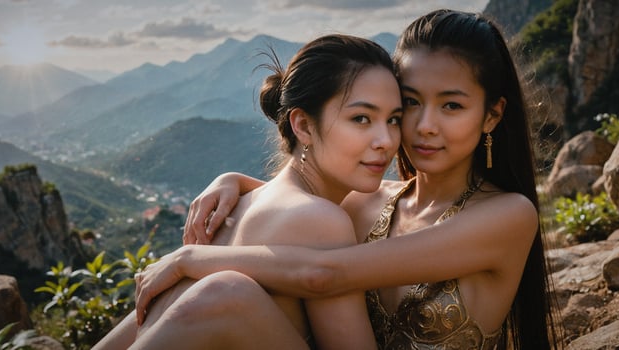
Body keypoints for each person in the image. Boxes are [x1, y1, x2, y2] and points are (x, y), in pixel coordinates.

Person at [136, 9, 561, 349]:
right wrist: (233, 180)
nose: (425, 126)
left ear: (491, 115)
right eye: (410, 103)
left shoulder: (508, 215)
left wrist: (187, 258)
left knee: (226, 295)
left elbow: (323, 274)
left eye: (451, 106)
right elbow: (293, 201)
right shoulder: (365, 202)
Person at [93, 33, 403, 349]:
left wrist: (234, 179)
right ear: (304, 126)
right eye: (361, 118)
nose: (387, 140)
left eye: (394, 119)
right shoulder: (320, 219)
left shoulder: (239, 204)